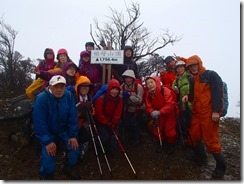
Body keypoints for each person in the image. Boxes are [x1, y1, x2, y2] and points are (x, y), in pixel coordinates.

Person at [182, 55, 226, 178]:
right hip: (197, 113)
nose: (193, 68)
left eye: (195, 65)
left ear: (199, 63)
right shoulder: (192, 80)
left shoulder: (211, 75)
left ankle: (221, 166)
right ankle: (201, 157)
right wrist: (187, 97)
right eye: (190, 66)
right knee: (194, 136)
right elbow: (192, 96)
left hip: (209, 114)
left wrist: (216, 111)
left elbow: (218, 94)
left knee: (211, 141)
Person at [32, 75, 80, 179]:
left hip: (63, 130)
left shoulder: (68, 95)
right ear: (50, 86)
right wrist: (47, 141)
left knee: (75, 149)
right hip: (48, 132)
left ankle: (68, 167)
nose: (59, 90)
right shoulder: (41, 99)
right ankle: (46, 175)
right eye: (56, 87)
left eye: (62, 87)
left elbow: (73, 116)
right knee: (49, 164)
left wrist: (72, 135)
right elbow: (39, 122)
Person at [144, 76, 177, 154]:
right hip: (158, 114)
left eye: (151, 82)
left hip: (170, 114)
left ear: (156, 82)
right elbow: (148, 106)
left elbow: (170, 104)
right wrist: (151, 112)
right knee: (158, 130)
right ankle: (161, 143)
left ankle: (171, 144)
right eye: (147, 83)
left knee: (169, 131)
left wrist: (160, 112)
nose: (150, 85)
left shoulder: (165, 91)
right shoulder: (148, 95)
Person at [93, 79, 123, 154]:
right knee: (105, 137)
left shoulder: (119, 100)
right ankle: (99, 148)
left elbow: (117, 113)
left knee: (114, 137)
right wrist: (106, 122)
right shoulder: (101, 99)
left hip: (112, 122)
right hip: (102, 122)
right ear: (109, 89)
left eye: (116, 89)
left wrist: (113, 123)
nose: (114, 91)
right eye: (113, 89)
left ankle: (110, 151)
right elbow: (99, 114)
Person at [120, 69, 144, 145]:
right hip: (126, 109)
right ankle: (128, 138)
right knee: (126, 124)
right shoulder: (122, 87)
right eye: (126, 78)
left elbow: (139, 101)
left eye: (130, 78)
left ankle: (137, 139)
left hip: (137, 109)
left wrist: (130, 96)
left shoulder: (138, 87)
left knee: (135, 125)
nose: (128, 80)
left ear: (133, 78)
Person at [172, 60, 192, 144]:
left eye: (181, 67)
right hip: (181, 106)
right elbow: (172, 90)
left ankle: (193, 142)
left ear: (185, 68)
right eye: (178, 68)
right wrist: (175, 91)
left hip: (191, 105)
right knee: (183, 123)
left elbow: (194, 90)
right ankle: (186, 140)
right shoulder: (176, 81)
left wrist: (188, 95)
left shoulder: (190, 77)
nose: (179, 69)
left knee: (192, 124)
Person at [75, 75, 94, 159]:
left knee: (85, 137)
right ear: (78, 87)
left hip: (84, 123)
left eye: (87, 87)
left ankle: (82, 153)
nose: (85, 88)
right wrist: (79, 106)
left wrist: (91, 109)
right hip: (73, 124)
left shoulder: (89, 98)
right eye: (83, 86)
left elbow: (93, 112)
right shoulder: (73, 97)